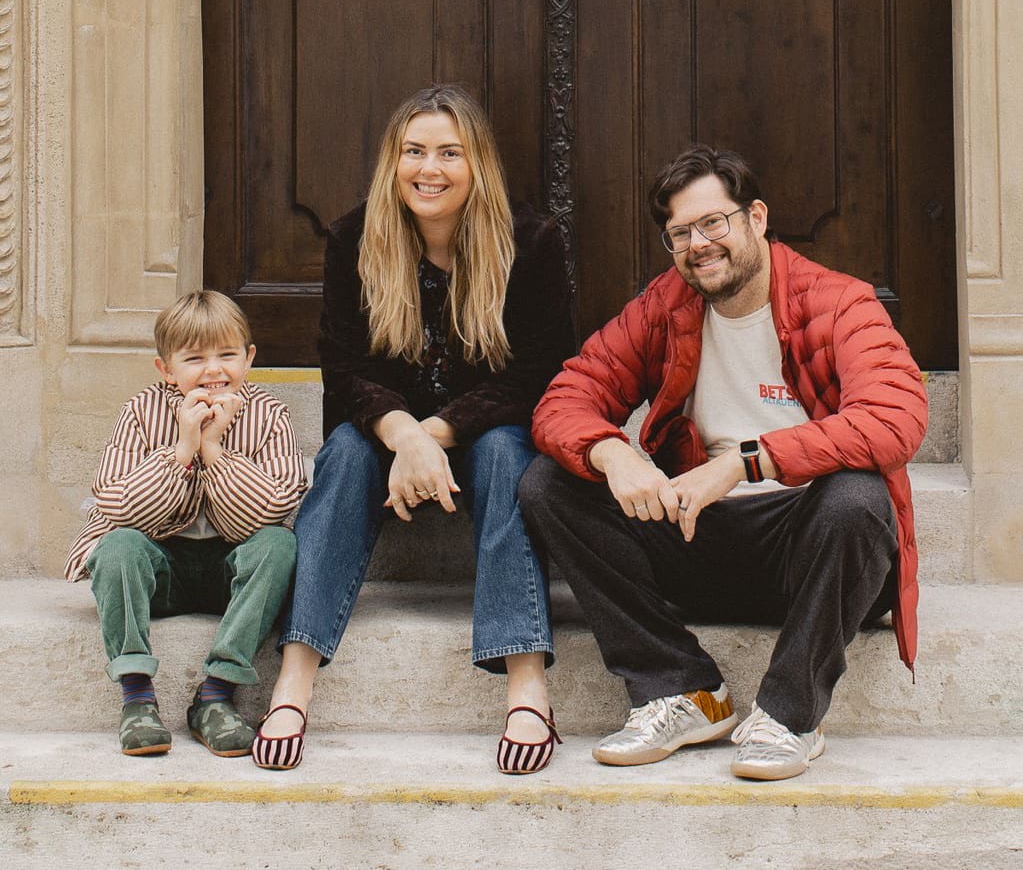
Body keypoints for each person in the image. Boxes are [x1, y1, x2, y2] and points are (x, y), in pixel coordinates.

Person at [520, 144, 928, 781]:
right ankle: (679, 689)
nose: (699, 245)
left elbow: (894, 419)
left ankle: (789, 715)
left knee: (858, 497)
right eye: (680, 233)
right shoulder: (664, 305)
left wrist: (745, 463)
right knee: (548, 482)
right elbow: (567, 397)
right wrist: (611, 452)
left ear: (756, 218)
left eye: (713, 223)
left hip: (812, 549)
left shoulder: (840, 303)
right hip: (697, 536)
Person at [254, 85, 574, 772]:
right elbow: (343, 370)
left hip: (485, 433)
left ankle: (527, 684)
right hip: (383, 436)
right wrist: (404, 436)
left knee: (505, 454)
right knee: (344, 453)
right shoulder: (352, 239)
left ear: (477, 162)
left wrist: (435, 433)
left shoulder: (531, 242)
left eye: (449, 153)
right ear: (392, 161)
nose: (429, 169)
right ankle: (294, 677)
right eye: (414, 151)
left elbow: (538, 373)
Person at [64, 291, 306, 757]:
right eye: (195, 358)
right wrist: (181, 451)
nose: (214, 370)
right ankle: (137, 696)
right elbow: (120, 506)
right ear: (166, 369)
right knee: (117, 546)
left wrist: (214, 451)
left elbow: (266, 511)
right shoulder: (141, 412)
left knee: (279, 544)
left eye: (227, 355)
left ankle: (216, 695)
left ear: (249, 358)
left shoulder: (270, 414)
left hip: (230, 575)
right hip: (160, 572)